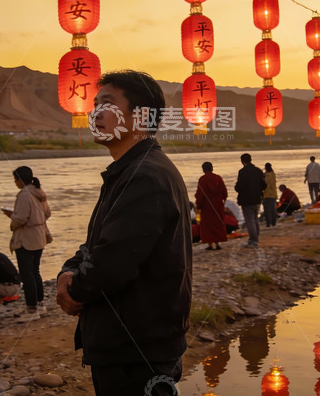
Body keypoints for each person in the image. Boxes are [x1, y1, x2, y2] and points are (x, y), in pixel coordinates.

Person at [55, 70, 192, 396]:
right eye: (95, 104)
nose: (95, 113)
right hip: (132, 341)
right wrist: (68, 270)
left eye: (107, 104)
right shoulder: (131, 171)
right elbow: (97, 244)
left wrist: (74, 288)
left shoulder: (145, 176)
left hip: (137, 347)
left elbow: (114, 262)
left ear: (141, 117)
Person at [2, 166, 52, 319]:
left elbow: (21, 219)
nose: (15, 182)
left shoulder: (24, 194)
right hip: (40, 236)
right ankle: (40, 304)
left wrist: (11, 215)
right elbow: (47, 213)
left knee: (27, 274)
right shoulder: (38, 192)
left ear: (20, 179)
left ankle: (31, 310)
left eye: (15, 179)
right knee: (35, 271)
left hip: (26, 239)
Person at [195, 161, 228, 251]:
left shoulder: (202, 179)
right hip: (217, 204)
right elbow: (224, 192)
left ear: (203, 169)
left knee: (207, 225)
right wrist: (223, 201)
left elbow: (200, 194)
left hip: (206, 206)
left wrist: (198, 205)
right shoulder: (218, 178)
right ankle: (217, 244)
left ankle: (210, 244)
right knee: (218, 223)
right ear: (212, 168)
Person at [235, 153, 266, 248]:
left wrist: (237, 188)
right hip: (257, 198)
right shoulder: (258, 171)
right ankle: (256, 238)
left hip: (246, 200)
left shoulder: (242, 172)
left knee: (250, 220)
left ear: (242, 161)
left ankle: (253, 240)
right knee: (255, 219)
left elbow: (239, 187)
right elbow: (264, 185)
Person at [262, 163, 278, 227]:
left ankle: (268, 223)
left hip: (266, 195)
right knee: (273, 209)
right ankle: (274, 222)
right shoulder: (273, 174)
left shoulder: (266, 175)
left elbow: (264, 184)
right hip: (273, 194)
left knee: (267, 210)